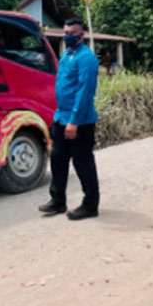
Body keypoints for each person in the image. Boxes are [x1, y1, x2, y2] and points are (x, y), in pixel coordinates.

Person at [38, 18, 101, 220]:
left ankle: (90, 205)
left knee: (83, 163)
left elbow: (85, 92)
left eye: (72, 33)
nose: (68, 37)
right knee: (58, 160)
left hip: (79, 120)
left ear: (82, 35)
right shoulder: (66, 55)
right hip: (61, 116)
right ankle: (57, 201)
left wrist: (74, 121)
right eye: (65, 33)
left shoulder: (86, 58)